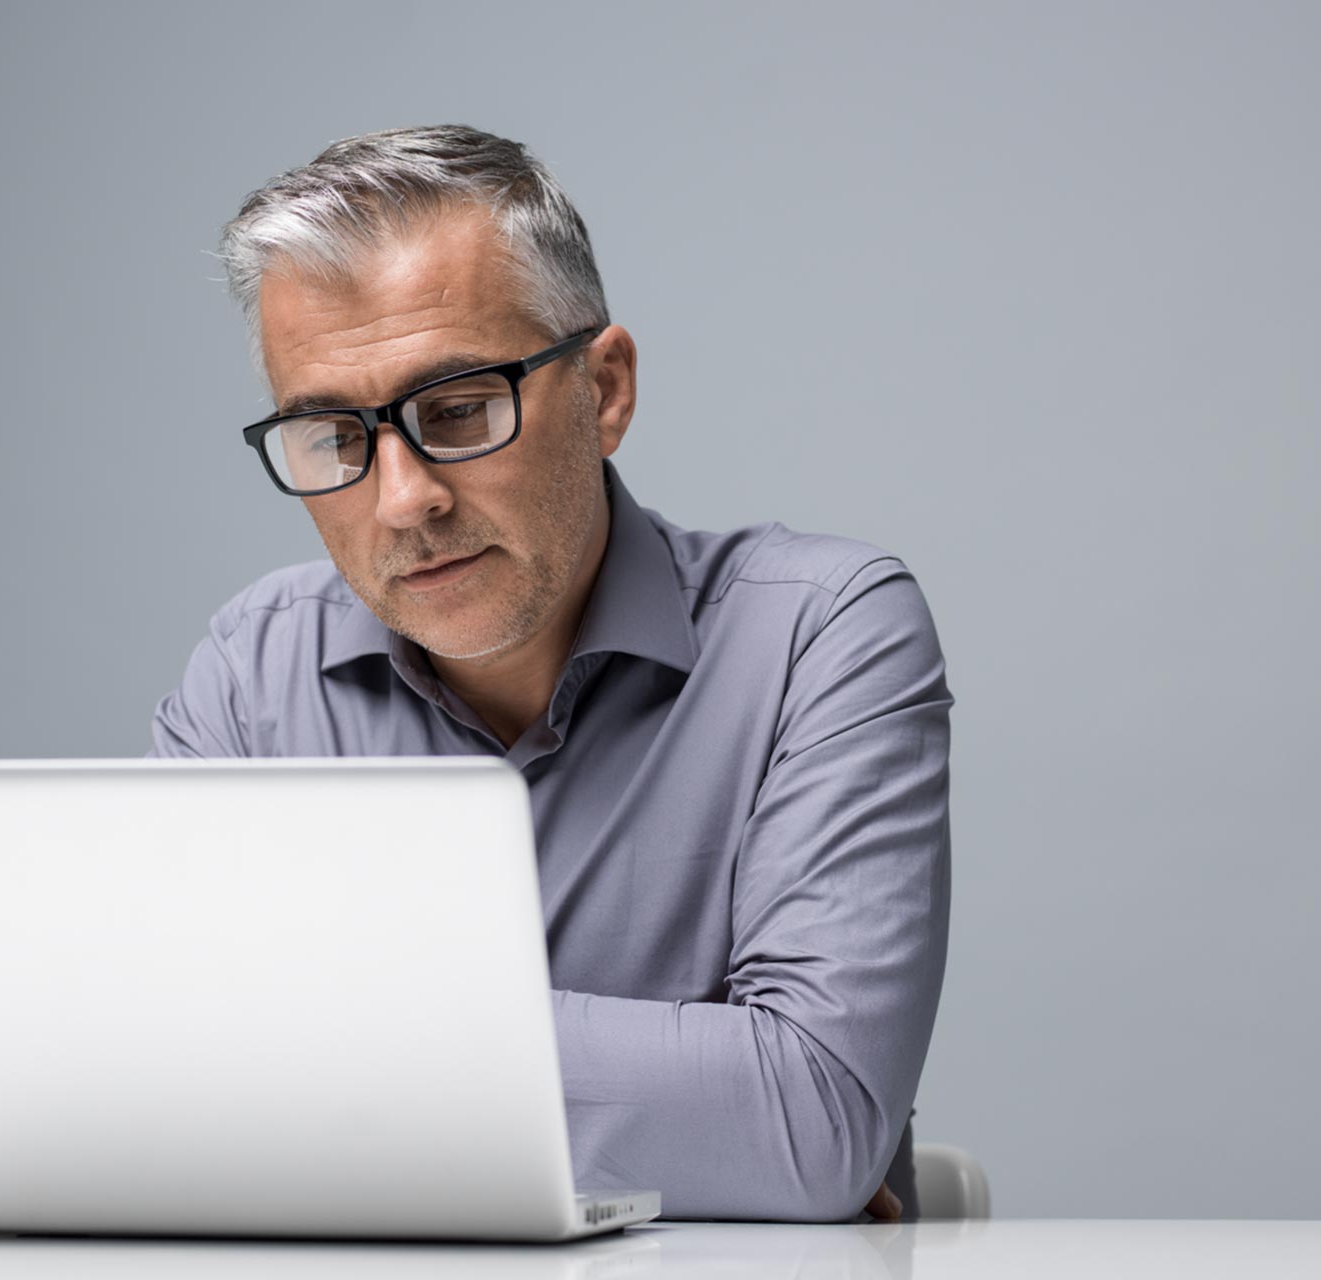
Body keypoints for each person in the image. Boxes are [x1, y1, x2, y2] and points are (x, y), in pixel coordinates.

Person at [150, 125, 951, 1223]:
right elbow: (163, 1090)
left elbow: (811, 1118)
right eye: (335, 434)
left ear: (605, 388)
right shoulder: (254, 675)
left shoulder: (822, 634)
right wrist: (702, 1121)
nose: (403, 500)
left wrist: (324, 1050)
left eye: (461, 409)